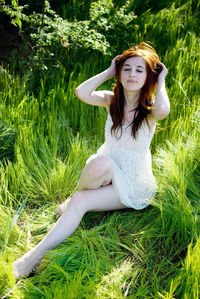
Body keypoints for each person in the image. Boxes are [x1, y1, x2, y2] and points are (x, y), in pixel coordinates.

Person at [13, 42, 170, 278]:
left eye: (140, 70)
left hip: (133, 181)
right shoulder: (111, 100)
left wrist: (162, 80)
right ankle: (74, 202)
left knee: (80, 199)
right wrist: (109, 72)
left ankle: (33, 257)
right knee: (101, 163)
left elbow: (163, 111)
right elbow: (81, 92)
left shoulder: (149, 109)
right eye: (127, 69)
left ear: (149, 76)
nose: (132, 74)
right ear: (120, 73)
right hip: (106, 168)